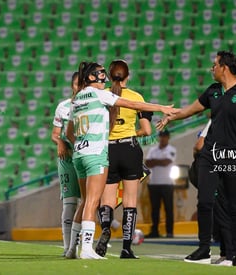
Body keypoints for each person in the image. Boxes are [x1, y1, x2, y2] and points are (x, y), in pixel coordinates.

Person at [158, 51, 236, 266]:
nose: (211, 69)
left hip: (235, 157)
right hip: (210, 155)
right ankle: (204, 248)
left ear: (224, 67)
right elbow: (189, 110)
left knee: (235, 205)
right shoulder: (213, 92)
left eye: (214, 65)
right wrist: (171, 116)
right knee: (205, 202)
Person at [65, 61, 176, 259]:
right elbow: (134, 106)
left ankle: (72, 248)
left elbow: (69, 132)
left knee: (88, 202)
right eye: (99, 74)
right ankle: (95, 248)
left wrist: (81, 143)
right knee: (98, 201)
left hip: (81, 154)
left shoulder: (77, 98)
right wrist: (161, 107)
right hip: (107, 151)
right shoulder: (103, 94)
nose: (103, 78)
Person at [95, 59, 153, 259]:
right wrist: (132, 133)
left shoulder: (102, 96)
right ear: (128, 76)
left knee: (107, 200)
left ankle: (105, 229)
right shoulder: (136, 97)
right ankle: (127, 248)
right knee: (130, 201)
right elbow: (147, 130)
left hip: (108, 149)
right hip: (129, 148)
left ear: (109, 77)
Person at [51, 72, 81, 257]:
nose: (80, 87)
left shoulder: (92, 105)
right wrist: (60, 142)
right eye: (77, 84)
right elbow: (55, 133)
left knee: (89, 204)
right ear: (72, 85)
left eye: (83, 84)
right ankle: (67, 248)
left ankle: (84, 246)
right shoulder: (63, 107)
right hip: (68, 159)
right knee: (69, 205)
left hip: (86, 157)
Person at [144, 129, 177, 238]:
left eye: (164, 136)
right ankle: (155, 231)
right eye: (161, 136)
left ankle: (169, 232)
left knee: (168, 209)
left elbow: (167, 162)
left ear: (168, 137)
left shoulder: (171, 149)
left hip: (167, 183)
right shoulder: (153, 149)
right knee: (154, 209)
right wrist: (160, 161)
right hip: (154, 183)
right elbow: (147, 163)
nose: (162, 138)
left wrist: (155, 161)